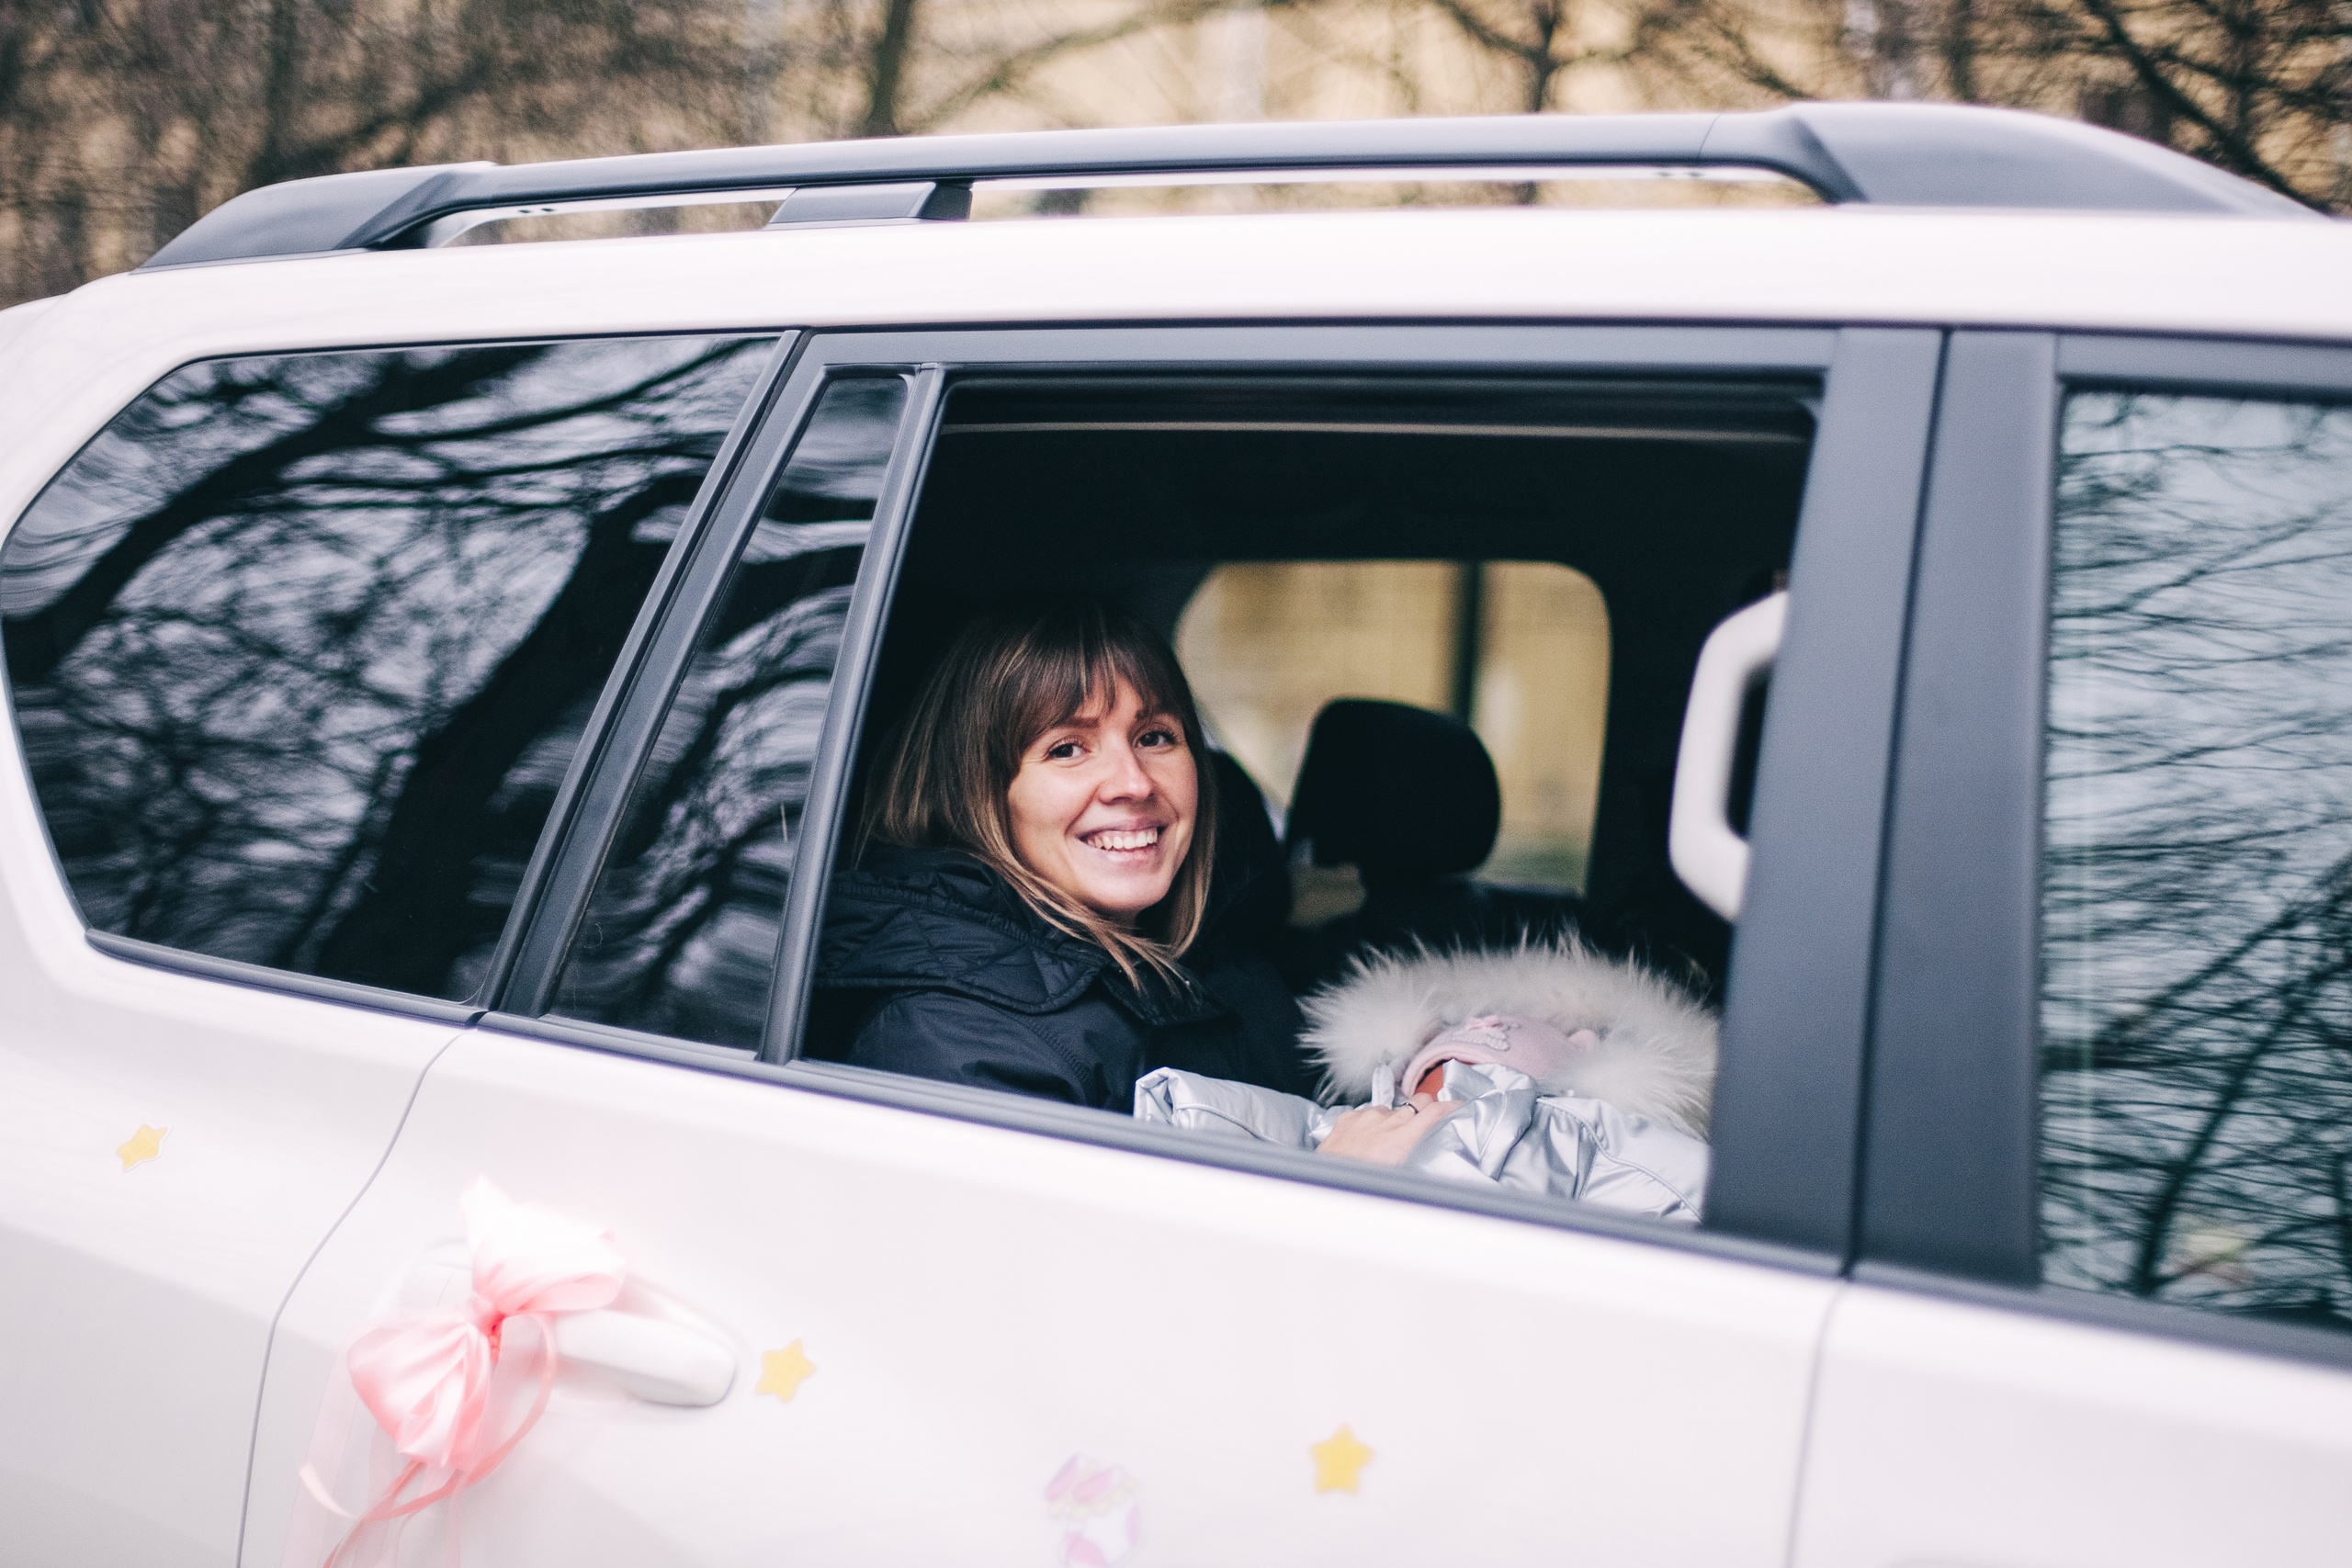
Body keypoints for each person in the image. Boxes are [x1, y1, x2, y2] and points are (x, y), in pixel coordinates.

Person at [808, 598, 1313, 1108]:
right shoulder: (948, 1040)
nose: (1134, 783)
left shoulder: (1228, 973)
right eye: (1067, 749)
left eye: (1154, 737)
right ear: (975, 795)